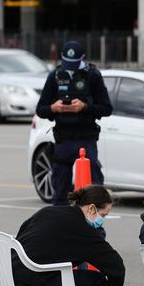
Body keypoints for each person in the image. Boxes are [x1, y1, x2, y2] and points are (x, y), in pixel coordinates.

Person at [12, 185, 125, 286]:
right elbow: (117, 269)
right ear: (91, 208)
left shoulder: (48, 212)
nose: (101, 222)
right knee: (95, 282)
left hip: (9, 281)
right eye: (103, 215)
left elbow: (22, 236)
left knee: (74, 281)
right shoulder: (82, 229)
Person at [36, 41, 113, 206]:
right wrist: (54, 107)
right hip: (63, 140)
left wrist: (84, 107)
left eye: (74, 64)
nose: (70, 67)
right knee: (60, 192)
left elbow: (106, 108)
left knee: (93, 188)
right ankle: (61, 225)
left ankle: (93, 225)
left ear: (82, 58)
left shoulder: (93, 75)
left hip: (86, 139)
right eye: (67, 64)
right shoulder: (55, 76)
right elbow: (41, 109)